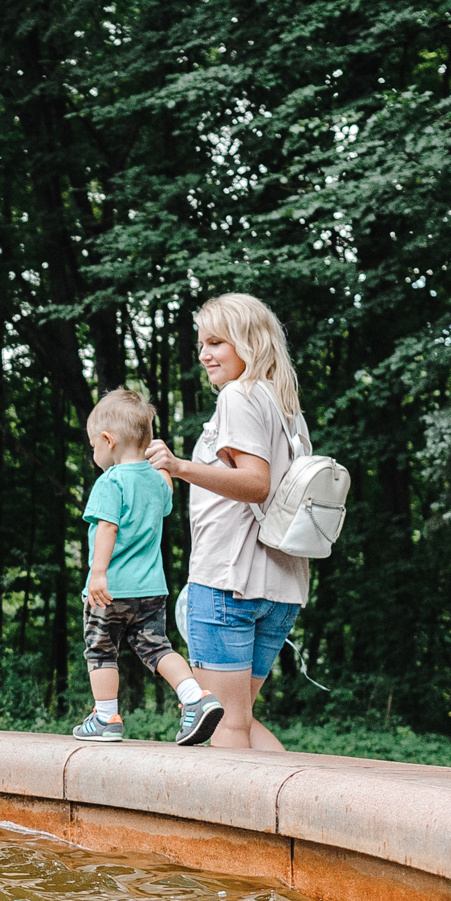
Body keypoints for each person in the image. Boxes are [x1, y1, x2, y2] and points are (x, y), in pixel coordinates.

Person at [145, 293, 312, 750]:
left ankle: (234, 825)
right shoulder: (284, 406)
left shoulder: (239, 395)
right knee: (240, 720)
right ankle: (289, 816)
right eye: (202, 343)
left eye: (216, 342)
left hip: (228, 582)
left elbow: (255, 483)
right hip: (279, 585)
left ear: (249, 343)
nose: (203, 354)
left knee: (223, 724)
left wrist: (179, 466)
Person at [74, 388, 226, 745]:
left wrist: (98, 573)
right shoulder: (158, 480)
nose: (93, 452)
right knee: (158, 649)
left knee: (100, 651)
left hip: (110, 588)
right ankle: (195, 698)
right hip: (151, 590)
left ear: (108, 440)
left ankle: (105, 717)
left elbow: (107, 528)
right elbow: (166, 502)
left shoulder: (109, 482)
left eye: (94, 444)